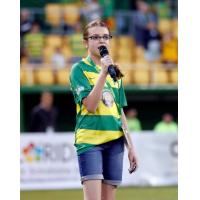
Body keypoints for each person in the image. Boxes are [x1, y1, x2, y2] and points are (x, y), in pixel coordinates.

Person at [70, 20, 138, 200]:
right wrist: (103, 73)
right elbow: (91, 106)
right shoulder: (79, 70)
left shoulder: (115, 73)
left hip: (115, 143)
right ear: (85, 42)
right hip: (90, 142)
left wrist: (131, 146)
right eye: (95, 37)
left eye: (105, 37)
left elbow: (119, 112)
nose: (101, 40)